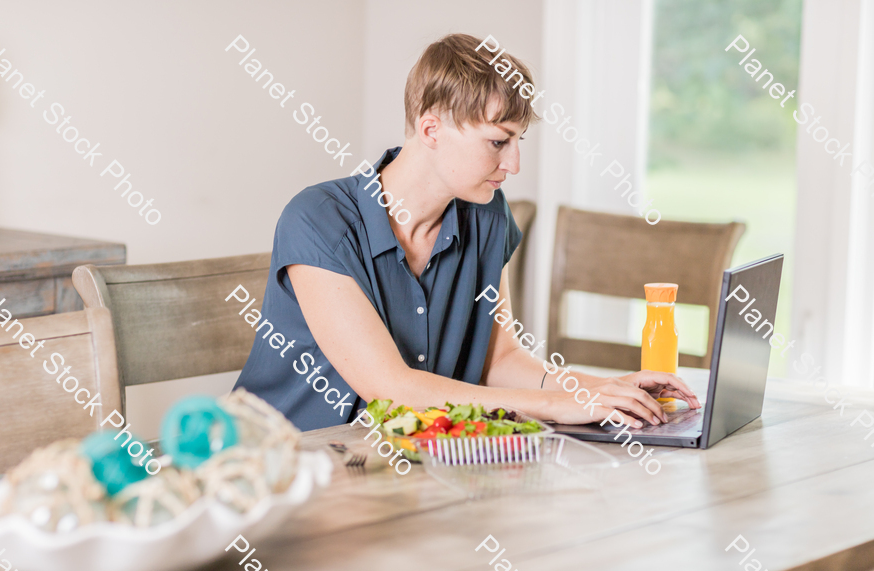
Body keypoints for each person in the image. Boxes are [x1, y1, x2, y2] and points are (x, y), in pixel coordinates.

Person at [234, 33, 698, 431]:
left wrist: (604, 388)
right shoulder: (317, 219)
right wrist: (559, 405)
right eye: (498, 141)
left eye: (517, 141)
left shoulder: (487, 215)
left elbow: (501, 361)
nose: (513, 164)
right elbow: (391, 392)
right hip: (282, 472)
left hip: (399, 468)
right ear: (431, 128)